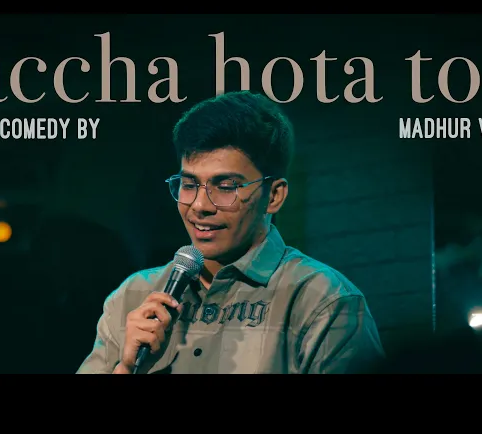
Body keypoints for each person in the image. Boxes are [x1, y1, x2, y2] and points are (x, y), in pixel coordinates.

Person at [77, 91, 385, 374]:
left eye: (225, 187)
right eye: (189, 185)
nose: (200, 205)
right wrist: (125, 368)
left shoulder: (323, 301)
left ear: (274, 196)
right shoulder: (133, 296)